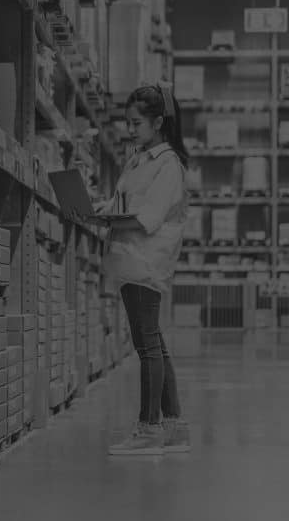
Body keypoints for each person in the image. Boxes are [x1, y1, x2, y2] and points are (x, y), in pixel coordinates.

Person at [84, 82, 192, 456]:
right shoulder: (137, 160)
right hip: (130, 257)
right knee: (154, 343)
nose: (130, 130)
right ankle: (174, 426)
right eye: (128, 123)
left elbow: (149, 217)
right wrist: (93, 211)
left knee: (146, 346)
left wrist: (112, 219)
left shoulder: (168, 165)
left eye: (136, 123)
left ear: (158, 122)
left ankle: (149, 429)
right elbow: (120, 202)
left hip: (147, 259)